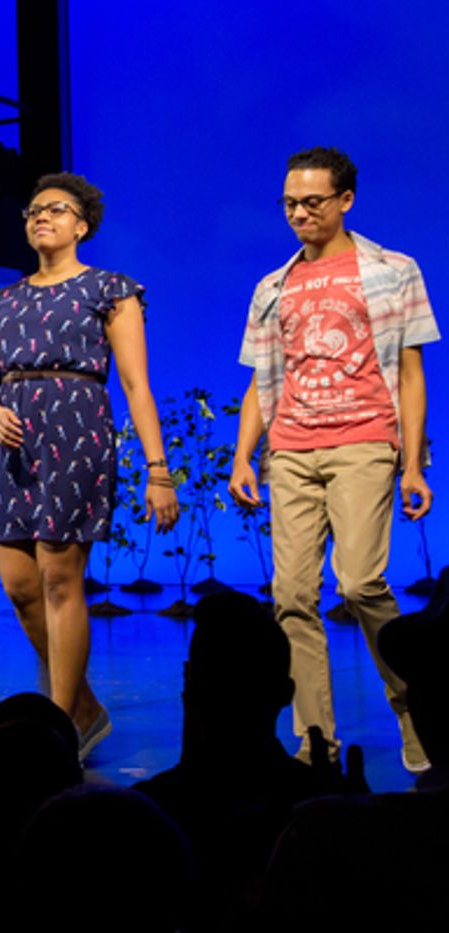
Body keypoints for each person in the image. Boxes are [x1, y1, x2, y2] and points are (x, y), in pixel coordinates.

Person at [228, 146, 439, 772]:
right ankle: (314, 739)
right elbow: (263, 380)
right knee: (292, 595)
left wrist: (413, 464)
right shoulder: (274, 285)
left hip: (364, 440)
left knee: (360, 582)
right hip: (291, 449)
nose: (299, 214)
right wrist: (244, 456)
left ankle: (417, 710)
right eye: (290, 204)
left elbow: (410, 369)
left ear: (345, 200)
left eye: (312, 202)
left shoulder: (392, 269)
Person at [0, 172, 178, 760]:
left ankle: (59, 725)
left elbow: (136, 385)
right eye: (33, 210)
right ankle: (85, 706)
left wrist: (157, 469)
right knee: (18, 586)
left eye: (56, 210)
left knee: (61, 579)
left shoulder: (109, 290)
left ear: (81, 225)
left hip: (76, 431)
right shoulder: (4, 301)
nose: (41, 217)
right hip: (10, 443)